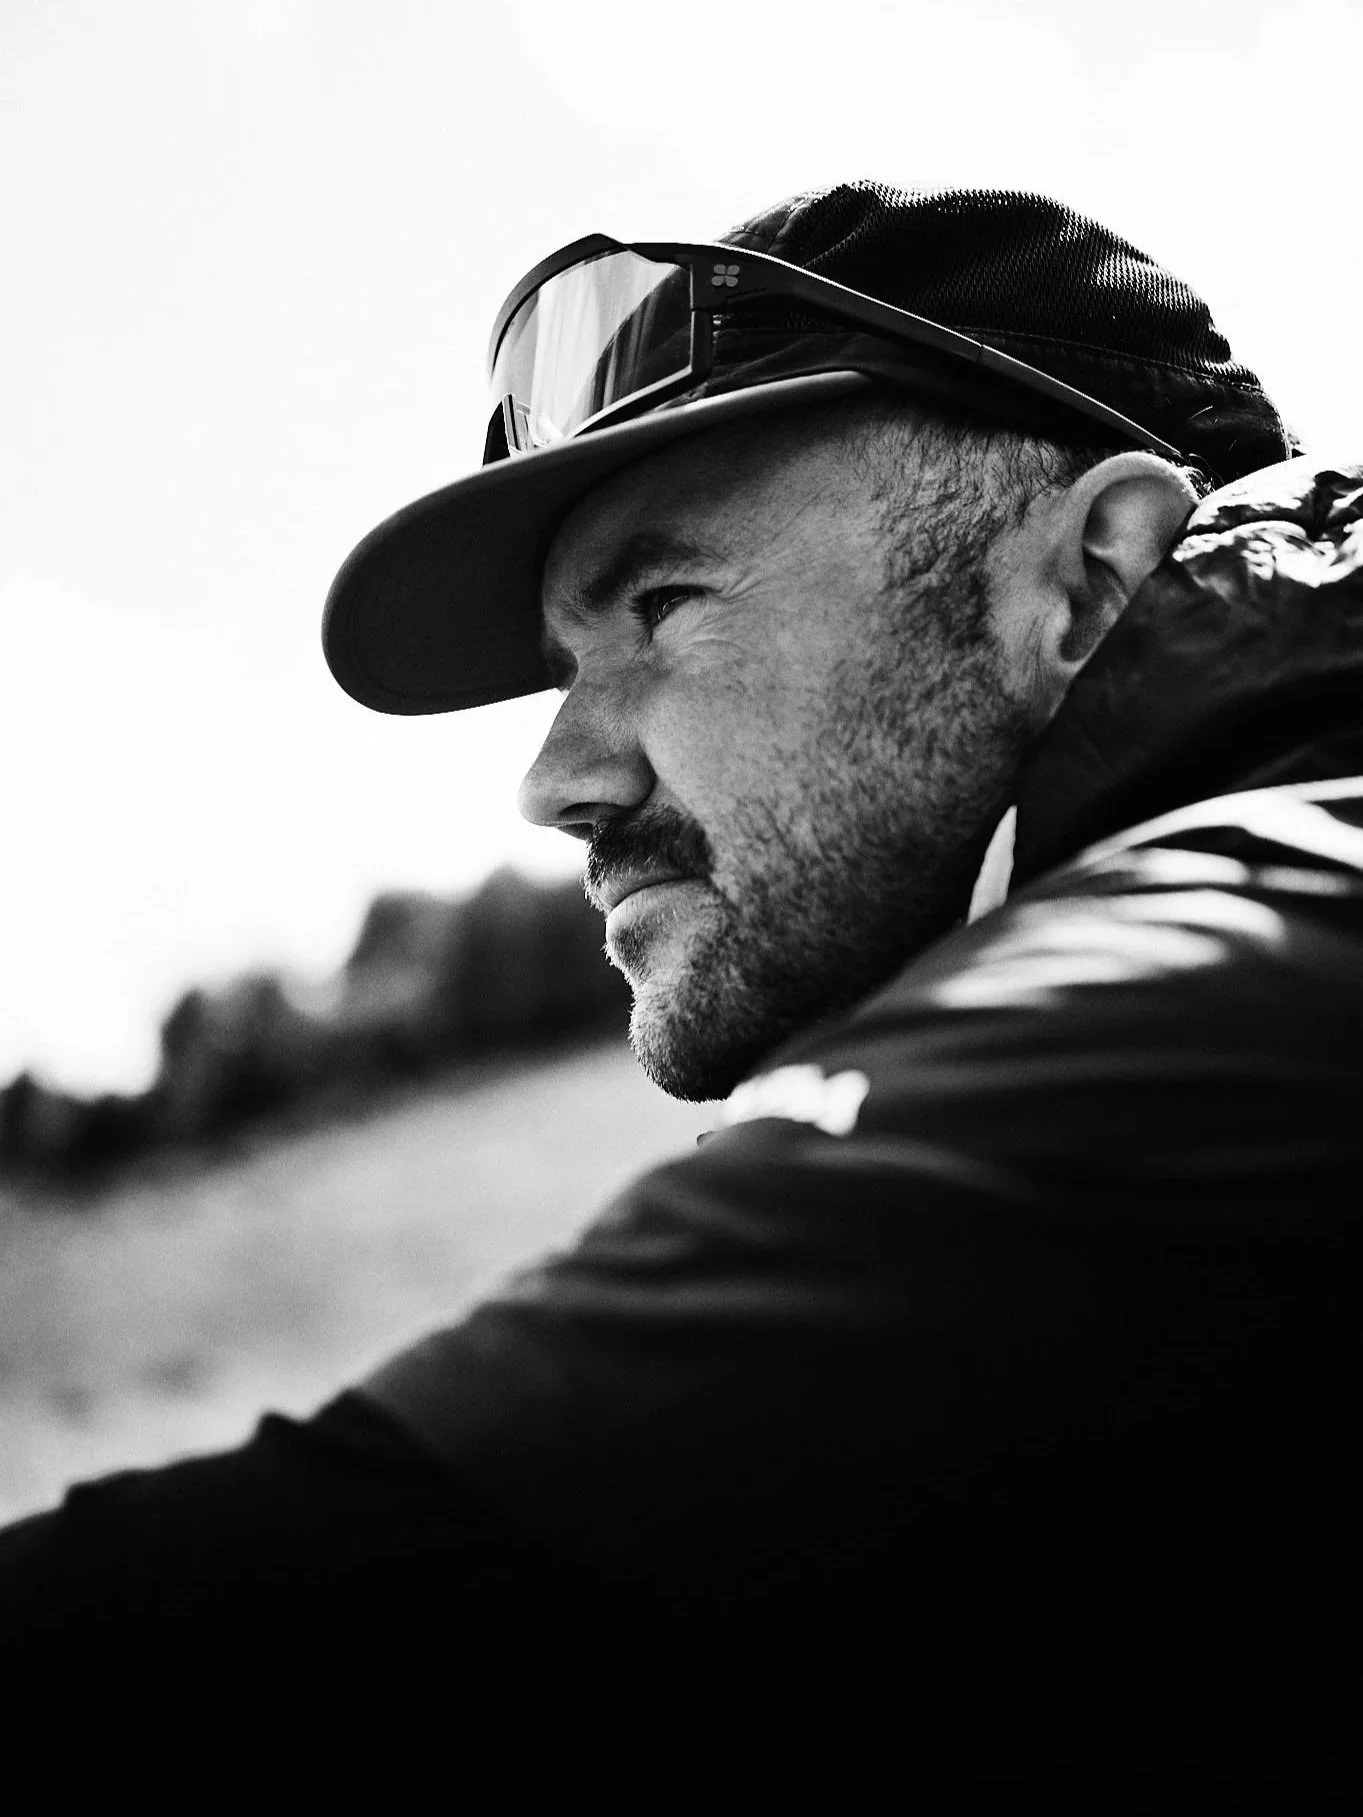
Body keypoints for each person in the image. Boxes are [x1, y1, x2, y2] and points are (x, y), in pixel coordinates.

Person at [2, 182, 1360, 1802]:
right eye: (566, 666)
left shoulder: (1236, 980)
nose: (556, 780)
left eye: (664, 607)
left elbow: (267, 1623)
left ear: (1085, 581)